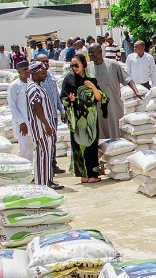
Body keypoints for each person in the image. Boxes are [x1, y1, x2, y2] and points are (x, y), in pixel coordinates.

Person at [60, 54, 105, 182]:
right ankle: (83, 175)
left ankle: (93, 174)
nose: (74, 68)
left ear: (83, 64)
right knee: (78, 145)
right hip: (77, 118)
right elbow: (63, 98)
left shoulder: (91, 78)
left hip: (90, 117)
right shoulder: (68, 79)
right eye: (72, 66)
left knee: (91, 145)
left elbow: (99, 97)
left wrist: (91, 86)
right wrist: (70, 99)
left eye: (76, 65)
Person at [22, 59, 63, 188]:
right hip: (41, 128)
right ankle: (44, 182)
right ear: (35, 74)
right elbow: (37, 107)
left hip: (44, 127)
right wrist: (46, 125)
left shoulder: (38, 86)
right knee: (43, 155)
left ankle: (47, 180)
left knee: (47, 154)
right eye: (43, 73)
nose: (45, 75)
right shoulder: (33, 88)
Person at [87, 43, 137, 142]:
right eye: (89, 53)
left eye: (93, 52)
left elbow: (127, 79)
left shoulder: (113, 65)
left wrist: (136, 91)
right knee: (100, 135)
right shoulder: (87, 68)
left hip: (113, 106)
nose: (90, 55)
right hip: (97, 108)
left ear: (100, 52)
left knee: (116, 135)